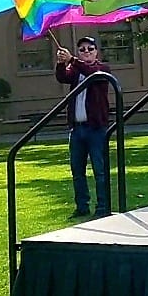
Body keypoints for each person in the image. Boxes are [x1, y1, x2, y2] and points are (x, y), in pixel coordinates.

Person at [55, 36, 111, 219]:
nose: (86, 52)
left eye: (90, 49)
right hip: (77, 129)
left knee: (99, 170)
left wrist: (72, 59)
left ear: (96, 52)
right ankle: (82, 206)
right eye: (82, 50)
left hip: (96, 129)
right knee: (77, 171)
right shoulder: (76, 71)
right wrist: (61, 63)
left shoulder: (102, 70)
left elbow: (90, 72)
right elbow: (63, 77)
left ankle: (102, 206)